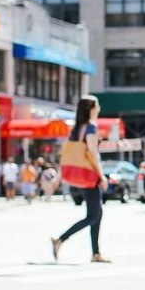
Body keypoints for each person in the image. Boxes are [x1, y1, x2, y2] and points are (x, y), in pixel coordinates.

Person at [51, 96, 109, 263]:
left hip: (80, 175)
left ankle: (95, 253)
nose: (99, 108)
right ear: (91, 109)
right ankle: (60, 239)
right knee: (93, 216)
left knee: (97, 214)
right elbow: (92, 153)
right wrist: (101, 175)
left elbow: (68, 155)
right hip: (90, 175)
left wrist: (59, 176)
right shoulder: (91, 128)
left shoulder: (76, 129)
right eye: (97, 105)